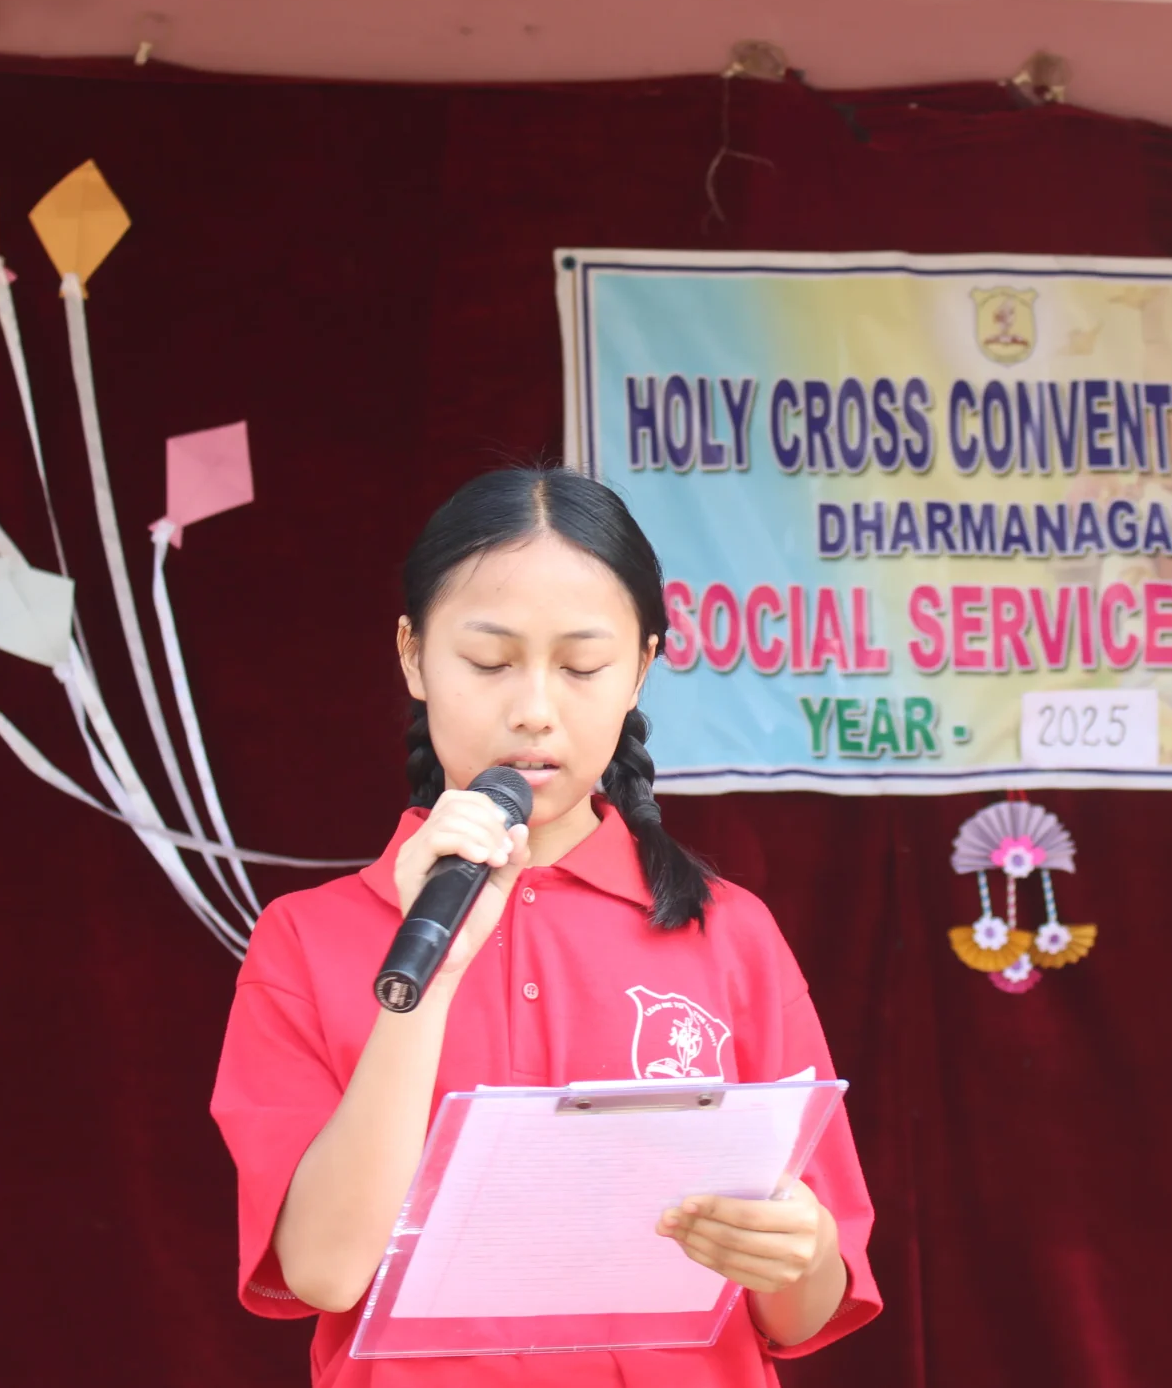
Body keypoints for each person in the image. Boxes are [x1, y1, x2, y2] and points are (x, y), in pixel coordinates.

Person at [211, 467, 880, 1385]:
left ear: (641, 667)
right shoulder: (305, 939)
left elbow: (802, 1310)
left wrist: (801, 1249)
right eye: (490, 662)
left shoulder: (731, 935)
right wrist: (426, 981)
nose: (533, 708)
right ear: (413, 655)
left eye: (581, 666)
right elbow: (325, 1271)